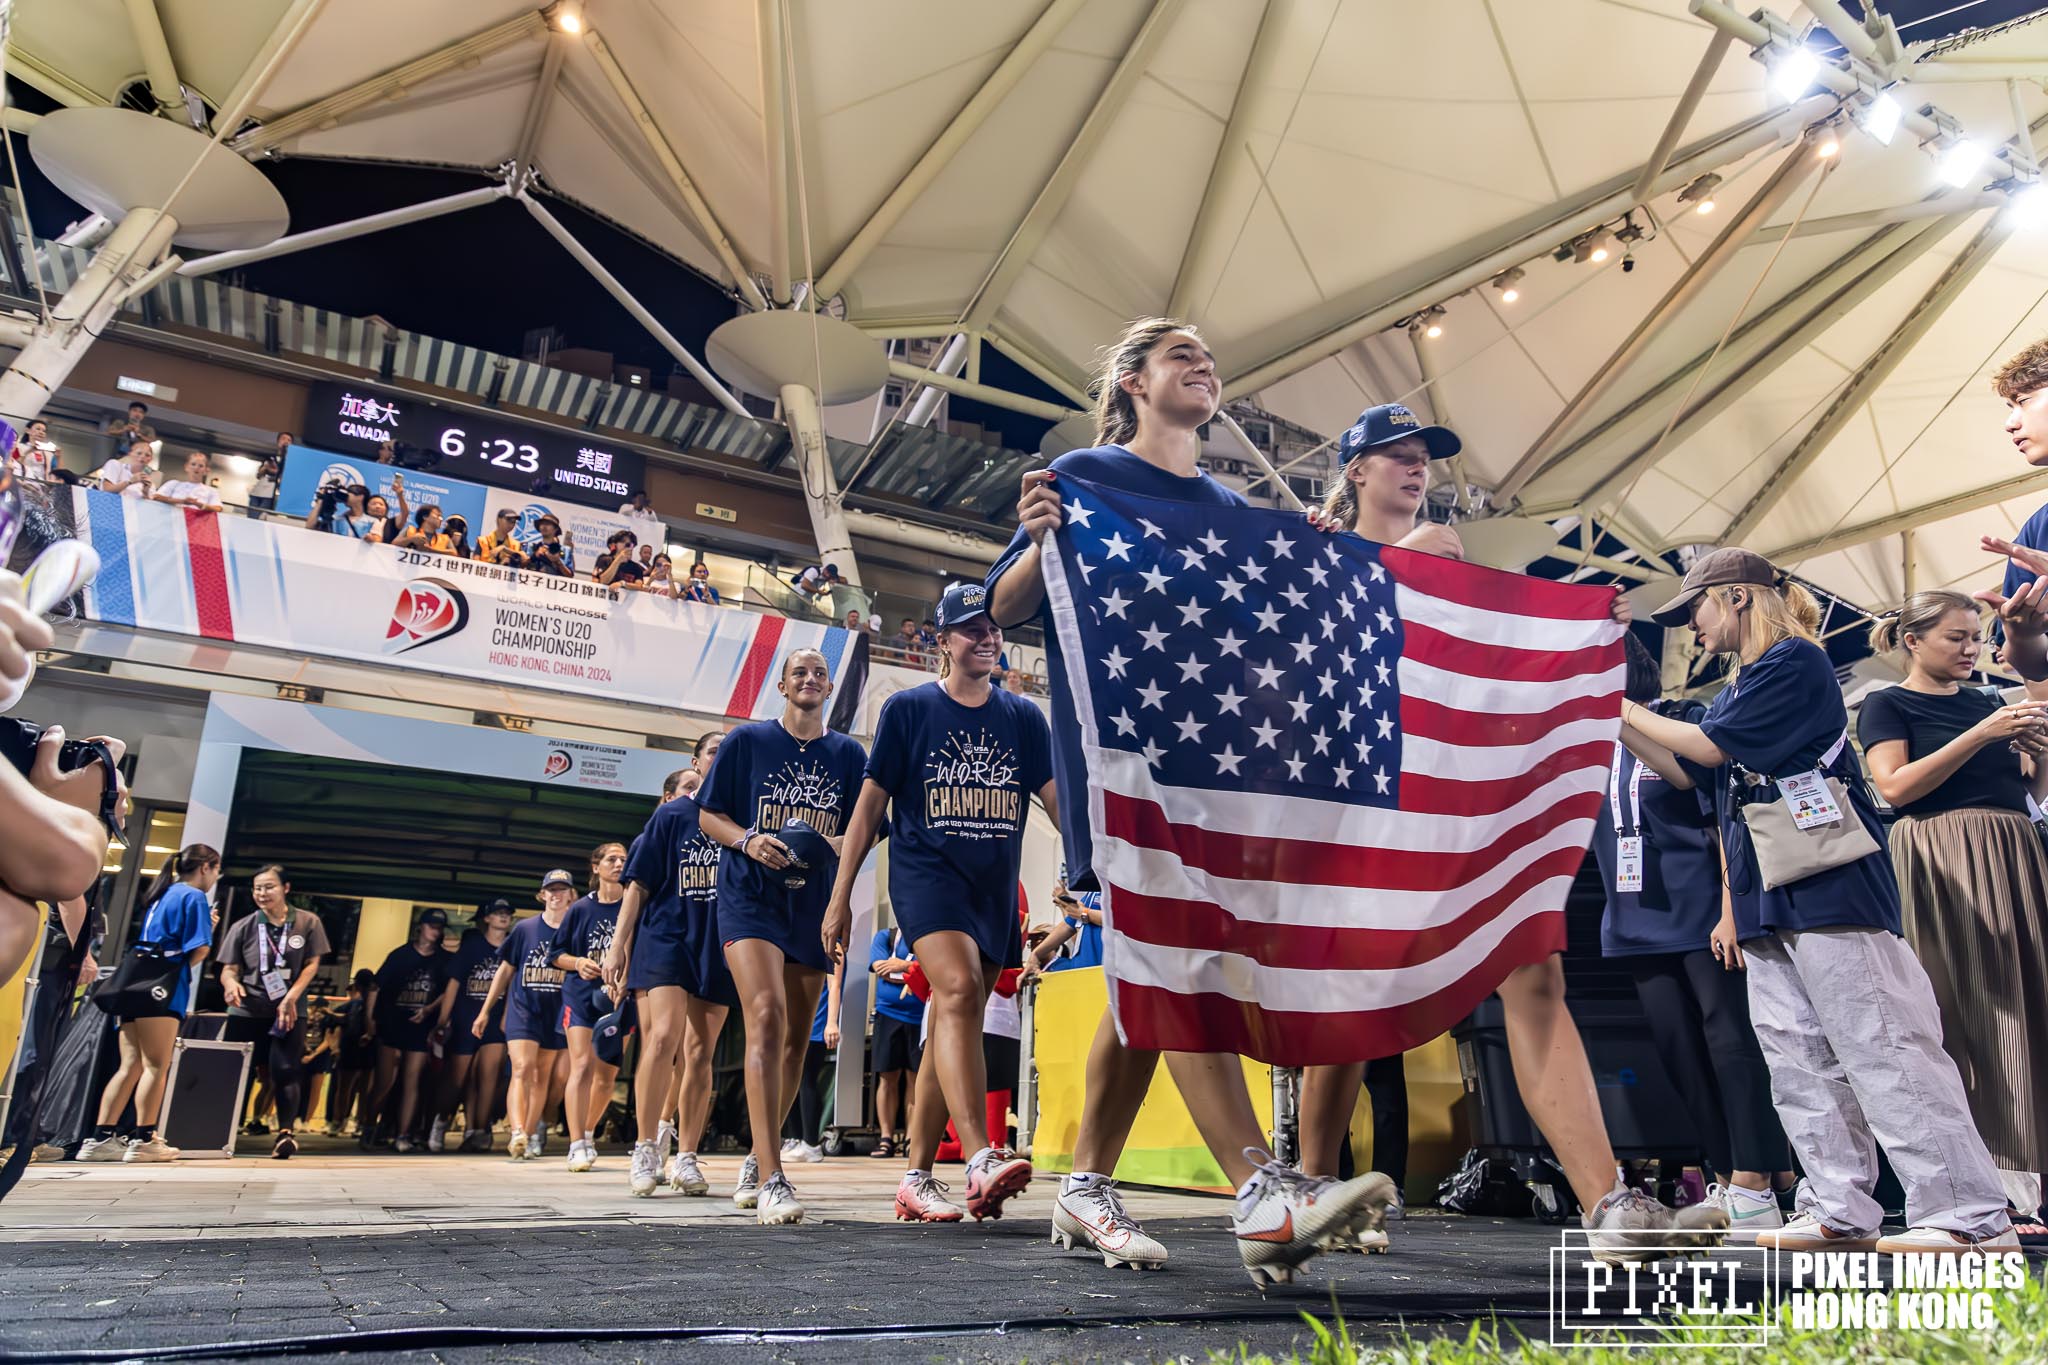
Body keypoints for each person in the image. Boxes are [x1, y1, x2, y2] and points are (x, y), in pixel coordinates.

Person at [985, 317, 1391, 1284]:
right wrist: (1040, 538)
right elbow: (1004, 609)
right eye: (1182, 356)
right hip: (1120, 770)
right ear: (1131, 380)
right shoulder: (1083, 473)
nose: (1205, 369)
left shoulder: (1227, 502)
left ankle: (1085, 1185)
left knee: (1148, 972)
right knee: (1182, 962)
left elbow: (1267, 628)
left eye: (1209, 360)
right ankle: (1261, 1188)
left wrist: (1318, 556)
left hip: (1209, 776)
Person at [1299, 399, 1721, 1262]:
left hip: (1469, 794)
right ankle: (1309, 1193)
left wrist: (1581, 639)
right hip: (1376, 794)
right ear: (1356, 471)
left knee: (1535, 978)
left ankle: (1608, 1205)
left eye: (1423, 455)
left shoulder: (1449, 559)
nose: (1415, 468)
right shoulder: (1331, 559)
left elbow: (1503, 665)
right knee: (1352, 1003)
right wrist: (1381, 562)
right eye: (1395, 454)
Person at [1625, 548, 2017, 1255]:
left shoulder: (1794, 662)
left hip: (1831, 887)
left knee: (1886, 1045)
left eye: (1697, 608)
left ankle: (1969, 1215)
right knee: (1798, 1057)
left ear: (1738, 597)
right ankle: (1837, 1205)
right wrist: (1613, 719)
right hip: (1767, 891)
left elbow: (1709, 749)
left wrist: (1620, 703)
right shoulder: (1738, 684)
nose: (1692, 625)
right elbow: (1685, 771)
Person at [825, 581, 1054, 1224]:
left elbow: (1056, 798)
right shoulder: (908, 710)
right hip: (927, 878)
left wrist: (1103, 864)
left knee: (954, 1024)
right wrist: (840, 898)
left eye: (994, 629)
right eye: (972, 629)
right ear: (944, 640)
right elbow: (870, 806)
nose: (987, 638)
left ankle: (916, 1178)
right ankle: (979, 1157)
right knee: (953, 994)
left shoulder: (1022, 717)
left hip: (991, 888)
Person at [1858, 589, 2048, 1231]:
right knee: (1962, 1015)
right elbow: (1893, 786)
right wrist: (1983, 733)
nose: (1971, 649)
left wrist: (2036, 753)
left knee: (2027, 1007)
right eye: (1956, 638)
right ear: (1912, 642)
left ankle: (2031, 1181)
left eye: (1976, 637)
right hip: (1940, 859)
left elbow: (2025, 789)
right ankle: (1982, 1187)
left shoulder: (1989, 702)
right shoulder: (1888, 703)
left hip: (2014, 850)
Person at [1595, 635, 1793, 1235]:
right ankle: (1729, 1174)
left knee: (1731, 1044)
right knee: (1680, 1053)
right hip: (1633, 918)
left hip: (1704, 911)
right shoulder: (1580, 737)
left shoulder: (1683, 719)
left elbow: (1693, 791)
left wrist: (1731, 911)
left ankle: (1761, 1174)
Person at [694, 649, 867, 1224]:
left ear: (830, 686)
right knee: (765, 1015)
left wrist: (842, 846)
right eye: (800, 672)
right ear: (781, 684)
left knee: (797, 1038)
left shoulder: (847, 753)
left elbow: (864, 828)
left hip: (811, 904)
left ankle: (755, 1154)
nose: (810, 679)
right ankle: (772, 1175)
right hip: (750, 898)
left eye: (820, 673)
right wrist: (747, 841)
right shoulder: (746, 743)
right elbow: (708, 816)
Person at [606, 735, 731, 1197]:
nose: (721, 754)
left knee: (701, 1052)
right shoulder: (671, 814)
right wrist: (618, 946)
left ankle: (687, 1157)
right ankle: (643, 1147)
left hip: (717, 942)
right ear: (696, 761)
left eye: (728, 748)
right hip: (666, 937)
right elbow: (637, 885)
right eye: (713, 748)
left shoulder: (744, 820)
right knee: (662, 1037)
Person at [78, 844, 218, 1163]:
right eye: (216, 870)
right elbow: (198, 949)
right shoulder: (194, 896)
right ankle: (143, 1140)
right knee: (156, 1064)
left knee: (130, 1065)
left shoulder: (164, 893)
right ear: (207, 867)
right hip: (162, 990)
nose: (214, 878)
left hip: (134, 984)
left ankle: (100, 1139)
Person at [216, 865, 330, 1160]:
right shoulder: (243, 926)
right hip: (247, 1009)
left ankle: (285, 1134)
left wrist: (291, 997)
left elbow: (311, 965)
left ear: (286, 888)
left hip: (289, 1009)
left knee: (285, 1070)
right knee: (230, 1072)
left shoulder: (307, 922)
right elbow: (229, 969)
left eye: (269, 887)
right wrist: (230, 984)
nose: (262, 893)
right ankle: (216, 1131)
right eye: (257, 888)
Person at [479, 870, 573, 1160]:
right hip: (524, 1009)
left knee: (541, 1077)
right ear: (542, 895)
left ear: (571, 895)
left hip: (556, 1011)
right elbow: (505, 970)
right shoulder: (525, 929)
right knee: (521, 1068)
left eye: (562, 889)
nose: (556, 894)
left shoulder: (575, 930)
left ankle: (531, 1133)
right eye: (551, 890)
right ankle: (518, 1130)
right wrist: (486, 1011)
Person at [555, 842, 629, 1172]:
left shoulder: (634, 904)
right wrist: (578, 962)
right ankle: (576, 1143)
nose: (619, 864)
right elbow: (556, 954)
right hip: (581, 995)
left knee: (606, 1076)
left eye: (624, 860)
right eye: (612, 859)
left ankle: (588, 1132)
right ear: (596, 867)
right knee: (582, 1065)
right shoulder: (580, 909)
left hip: (619, 998)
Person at [362, 910, 456, 1152]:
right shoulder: (400, 955)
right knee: (385, 1081)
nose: (436, 931)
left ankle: (403, 1134)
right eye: (431, 926)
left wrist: (430, 1011)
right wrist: (370, 1021)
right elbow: (375, 986)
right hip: (392, 1023)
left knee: (411, 1080)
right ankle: (369, 1127)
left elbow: (450, 989)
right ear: (421, 926)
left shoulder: (444, 959)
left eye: (439, 927)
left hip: (420, 1026)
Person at [434, 899, 514, 1152]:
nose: (503, 917)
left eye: (507, 914)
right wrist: (442, 1020)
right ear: (487, 919)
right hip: (465, 1018)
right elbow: (454, 984)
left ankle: (479, 1130)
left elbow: (513, 987)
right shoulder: (471, 946)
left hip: (496, 1020)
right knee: (458, 1078)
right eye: (497, 913)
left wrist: (506, 1017)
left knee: (489, 1077)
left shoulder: (513, 946)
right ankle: (441, 1121)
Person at [865, 925, 923, 1161]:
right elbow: (881, 969)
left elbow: (933, 969)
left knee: (915, 1078)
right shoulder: (885, 937)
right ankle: (886, 1137)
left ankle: (912, 1138)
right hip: (888, 1014)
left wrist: (902, 966)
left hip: (920, 1017)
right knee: (887, 1077)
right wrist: (914, 971)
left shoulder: (925, 936)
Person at [781, 961, 842, 1164]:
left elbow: (835, 985)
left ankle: (811, 1143)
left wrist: (832, 1022)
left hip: (816, 1026)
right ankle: (795, 1139)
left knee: (806, 1080)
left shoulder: (832, 949)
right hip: (794, 1024)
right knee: (789, 1080)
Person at [328, 969, 378, 1136]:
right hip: (366, 1047)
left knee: (344, 1088)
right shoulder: (373, 1004)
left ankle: (339, 1121)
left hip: (352, 1046)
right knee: (364, 1089)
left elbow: (342, 1021)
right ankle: (359, 1122)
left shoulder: (353, 1004)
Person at [152, 452, 221, 511]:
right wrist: (182, 501)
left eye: (201, 466)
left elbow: (218, 508)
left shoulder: (211, 491)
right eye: (193, 464)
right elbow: (156, 497)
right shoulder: (173, 484)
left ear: (206, 471)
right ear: (186, 467)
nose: (196, 468)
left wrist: (198, 504)